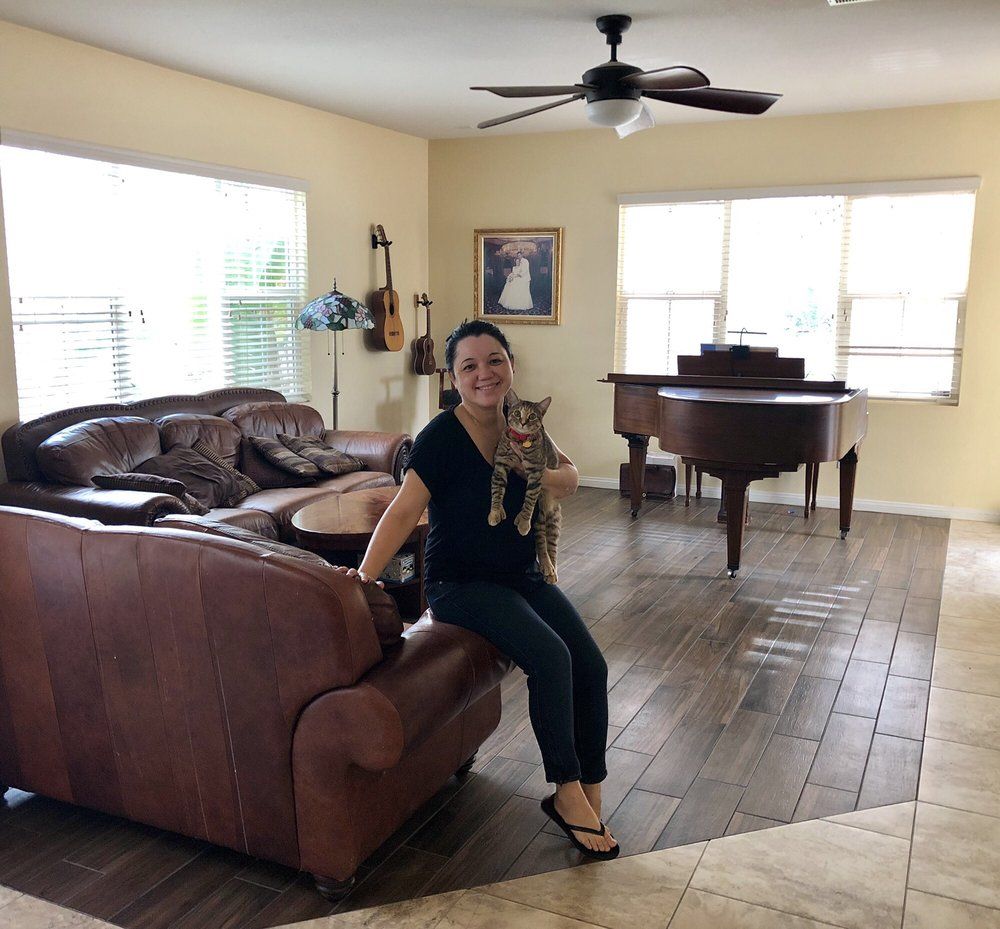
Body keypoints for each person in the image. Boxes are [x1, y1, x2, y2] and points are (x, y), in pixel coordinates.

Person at [338, 319, 617, 859]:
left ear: (511, 365)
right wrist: (364, 576)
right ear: (453, 376)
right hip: (459, 582)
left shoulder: (523, 420)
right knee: (551, 658)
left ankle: (590, 786)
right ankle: (565, 792)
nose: (485, 373)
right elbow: (402, 512)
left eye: (495, 361)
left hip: (522, 576)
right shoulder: (441, 436)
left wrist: (540, 474)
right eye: (470, 366)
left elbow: (572, 477)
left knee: (592, 665)